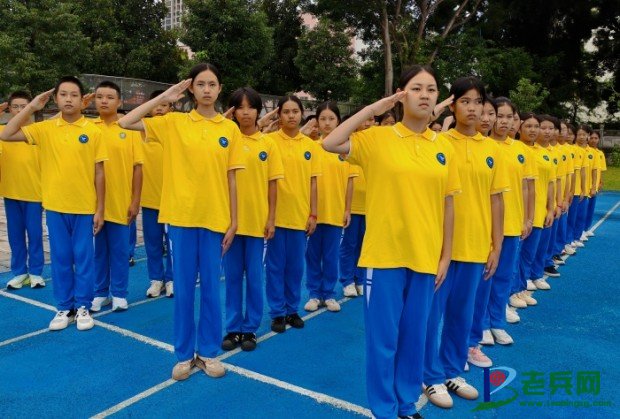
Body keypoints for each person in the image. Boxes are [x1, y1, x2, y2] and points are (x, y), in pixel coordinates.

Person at [323, 65, 460, 419]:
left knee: (415, 338)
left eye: (431, 89)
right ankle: (384, 409)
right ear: (401, 94)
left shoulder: (443, 147)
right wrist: (373, 109)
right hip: (384, 257)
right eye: (416, 88)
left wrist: (445, 256)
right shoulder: (377, 140)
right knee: (384, 340)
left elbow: (448, 205)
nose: (425, 95)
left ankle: (406, 404)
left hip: (425, 257)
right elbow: (330, 142)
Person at [119, 63, 245, 381]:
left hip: (215, 219)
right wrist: (165, 96)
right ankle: (184, 355)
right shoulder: (174, 122)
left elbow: (232, 178)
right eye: (200, 84)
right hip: (181, 217)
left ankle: (209, 352)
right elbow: (126, 121)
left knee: (211, 290)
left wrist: (234, 220)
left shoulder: (229, 129)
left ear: (219, 89)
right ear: (191, 89)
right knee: (184, 290)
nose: (206, 89)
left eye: (212, 84)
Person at [424, 76, 508, 409]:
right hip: (439, 247)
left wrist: (496, 246)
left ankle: (452, 370)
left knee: (461, 314)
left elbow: (496, 200)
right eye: (465, 101)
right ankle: (428, 374)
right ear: (453, 105)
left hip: (475, 246)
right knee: (431, 315)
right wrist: (437, 108)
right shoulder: (439, 142)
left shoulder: (492, 150)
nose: (473, 109)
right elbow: (418, 123)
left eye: (478, 102)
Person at [0, 76, 107, 331]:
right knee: (60, 258)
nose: (68, 99)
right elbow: (6, 133)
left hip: (84, 208)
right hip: (55, 207)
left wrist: (100, 209)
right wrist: (32, 106)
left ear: (82, 100)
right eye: (63, 94)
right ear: (56, 99)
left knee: (83, 258)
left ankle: (83, 305)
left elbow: (99, 173)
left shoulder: (94, 130)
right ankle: (64, 307)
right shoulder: (45, 129)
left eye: (74, 95)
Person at [221, 87, 284, 352]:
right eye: (240, 107)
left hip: (257, 223)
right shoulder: (226, 140)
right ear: (232, 111)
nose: (245, 113)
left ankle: (250, 329)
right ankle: (233, 328)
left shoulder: (268, 144)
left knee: (255, 279)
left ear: (259, 111)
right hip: (229, 224)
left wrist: (271, 219)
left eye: (251, 107)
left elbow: (272, 185)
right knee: (232, 278)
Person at [477, 97, 535, 347]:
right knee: (484, 279)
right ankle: (481, 325)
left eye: (509, 117)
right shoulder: (483, 146)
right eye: (498, 116)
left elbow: (526, 187)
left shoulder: (521, 150)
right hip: (485, 225)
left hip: (511, 224)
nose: (503, 121)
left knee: (503, 277)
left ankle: (496, 322)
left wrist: (528, 218)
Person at [264, 95, 321, 333]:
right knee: (275, 266)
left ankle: (291, 309)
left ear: (301, 114)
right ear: (279, 115)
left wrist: (313, 214)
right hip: (275, 216)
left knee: (296, 268)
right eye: (286, 112)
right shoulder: (269, 141)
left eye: (295, 111)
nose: (291, 116)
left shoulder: (310, 145)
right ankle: (277, 312)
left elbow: (314, 182)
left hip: (300, 215)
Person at [91, 81, 143, 312]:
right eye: (99, 97)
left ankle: (119, 293)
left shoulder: (129, 129)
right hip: (92, 204)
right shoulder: (88, 128)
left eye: (110, 97)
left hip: (120, 202)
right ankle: (100, 292)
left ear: (119, 101)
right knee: (98, 251)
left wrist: (135, 200)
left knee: (120, 251)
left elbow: (137, 168)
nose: (104, 101)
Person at [304, 101, 357, 312]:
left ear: (338, 121)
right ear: (317, 122)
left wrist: (347, 209)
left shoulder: (345, 149)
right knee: (312, 256)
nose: (327, 123)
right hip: (314, 214)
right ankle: (314, 294)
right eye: (323, 119)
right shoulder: (312, 147)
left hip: (335, 212)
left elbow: (350, 182)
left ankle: (329, 294)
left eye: (331, 119)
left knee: (331, 256)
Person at [0, 91, 45, 290]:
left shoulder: (39, 132)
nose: (19, 110)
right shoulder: (3, 132)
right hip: (11, 193)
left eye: (23, 106)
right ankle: (19, 272)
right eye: (15, 107)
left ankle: (35, 272)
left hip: (35, 194)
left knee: (35, 234)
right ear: (9, 109)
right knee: (15, 235)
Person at [339, 108, 374, 298]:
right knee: (349, 244)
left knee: (363, 244)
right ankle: (347, 280)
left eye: (372, 120)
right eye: (365, 119)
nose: (368, 123)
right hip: (352, 205)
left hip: (370, 205)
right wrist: (346, 207)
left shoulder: (376, 143)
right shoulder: (349, 143)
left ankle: (359, 278)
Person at [142, 90, 174, 298]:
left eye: (164, 104)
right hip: (149, 200)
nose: (160, 108)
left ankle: (172, 278)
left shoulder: (176, 130)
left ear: (171, 108)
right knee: (152, 243)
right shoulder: (141, 130)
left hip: (172, 200)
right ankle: (156, 279)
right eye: (156, 104)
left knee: (173, 244)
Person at [584, 131, 606, 235]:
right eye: (591, 138)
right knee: (583, 208)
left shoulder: (600, 153)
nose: (593, 140)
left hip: (595, 184)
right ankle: (581, 229)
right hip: (586, 184)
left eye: (596, 138)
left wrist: (600, 182)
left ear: (599, 139)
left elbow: (600, 170)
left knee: (591, 208)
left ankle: (587, 228)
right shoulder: (585, 151)